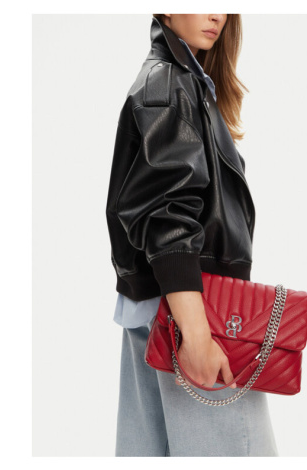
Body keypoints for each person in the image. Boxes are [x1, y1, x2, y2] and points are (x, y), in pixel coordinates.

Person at [105, 14, 279, 457]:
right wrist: (196, 333)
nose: (217, 14)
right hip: (196, 315)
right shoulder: (170, 85)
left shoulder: (181, 82)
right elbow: (167, 214)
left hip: (163, 312)